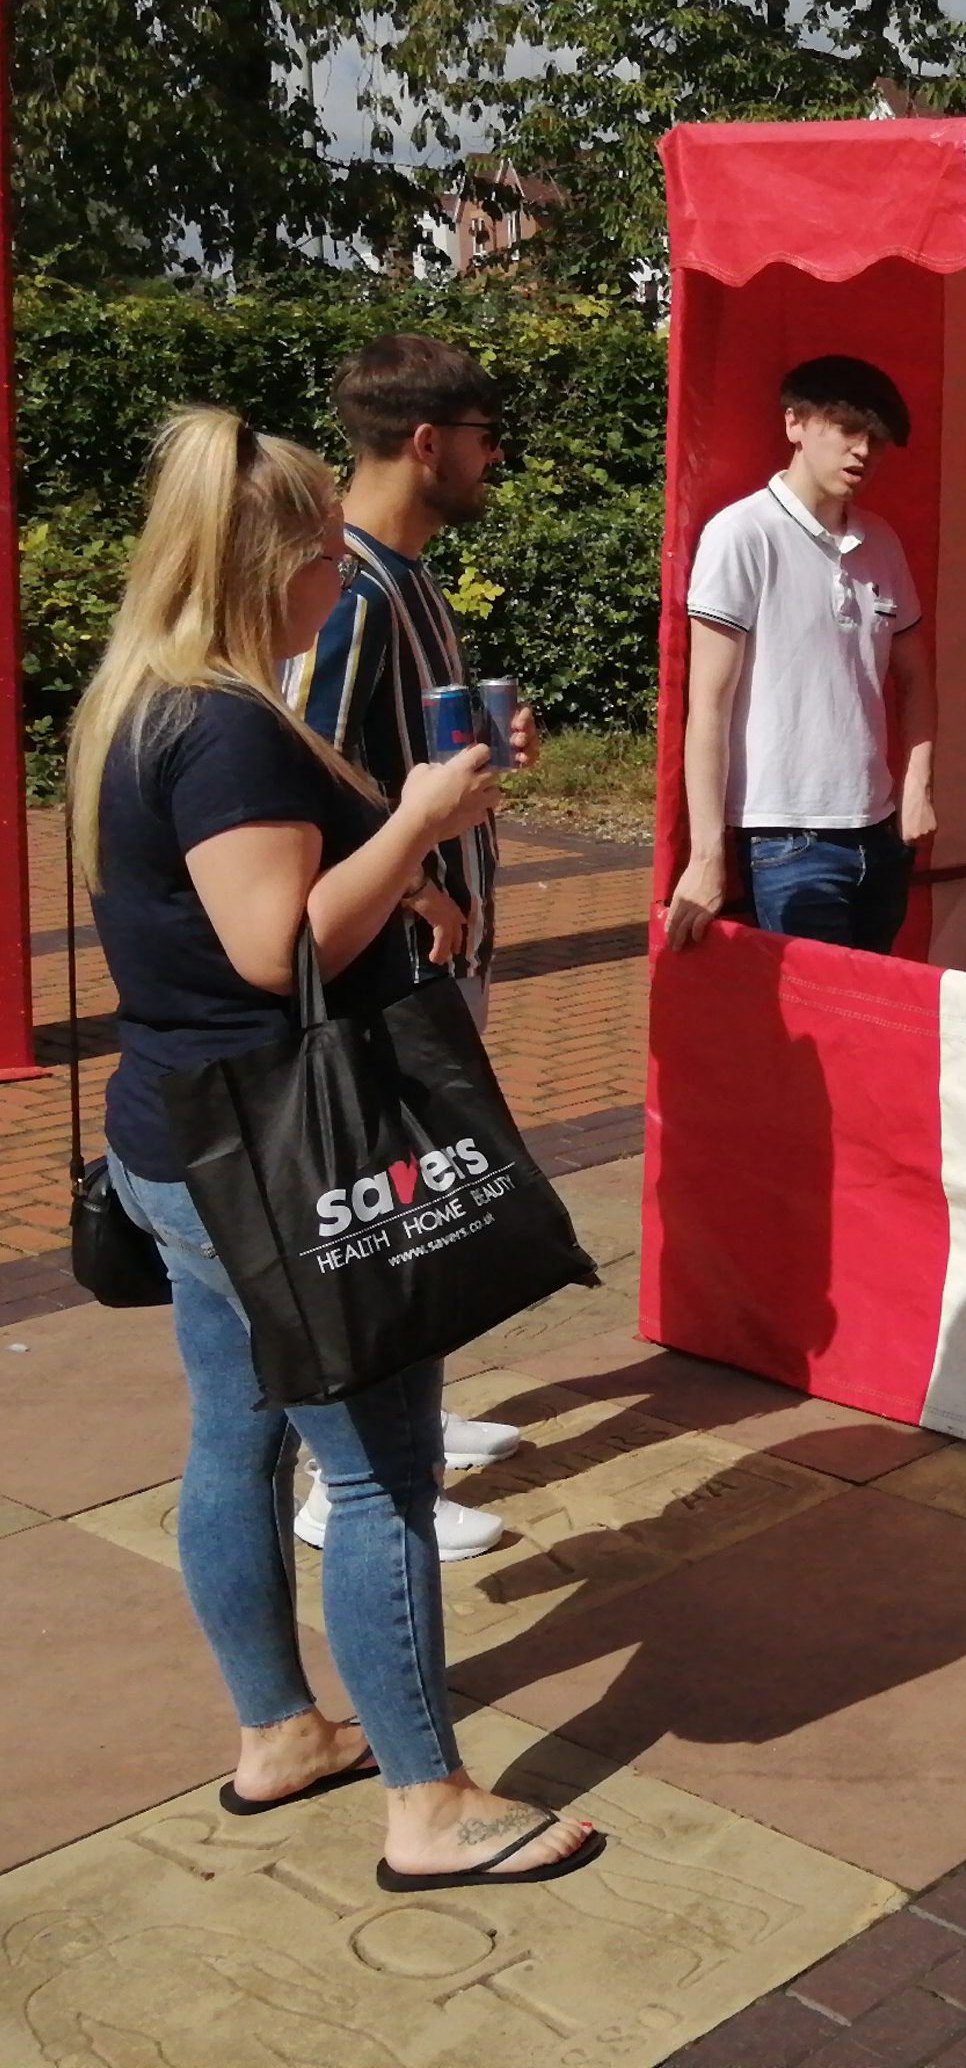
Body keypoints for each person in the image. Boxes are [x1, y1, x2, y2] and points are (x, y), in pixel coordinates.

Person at [68, 406, 603, 1890]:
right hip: (285, 1166)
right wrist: (424, 814)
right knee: (375, 1480)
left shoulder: (148, 697)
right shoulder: (226, 726)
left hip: (183, 1146)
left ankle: (282, 1732)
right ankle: (431, 1803)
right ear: (268, 561)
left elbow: (279, 889)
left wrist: (412, 839)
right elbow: (270, 943)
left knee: (232, 1446)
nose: (337, 569)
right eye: (317, 545)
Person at [281, 334, 541, 1561]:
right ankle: (357, 1483)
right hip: (387, 965)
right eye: (487, 437)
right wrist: (414, 888)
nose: (497, 461)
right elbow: (311, 780)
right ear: (428, 442)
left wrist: (491, 756)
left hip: (433, 956)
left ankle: (416, 1431)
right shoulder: (350, 591)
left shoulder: (411, 581)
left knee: (433, 1198)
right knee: (391, 1209)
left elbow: (401, 763)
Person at [664, 355, 936, 952]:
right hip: (786, 837)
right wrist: (707, 855)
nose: (862, 452)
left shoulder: (882, 541)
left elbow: (916, 677)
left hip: (881, 828)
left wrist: (917, 788)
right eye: (845, 429)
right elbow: (706, 705)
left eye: (877, 440)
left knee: (864, 1021)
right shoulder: (742, 534)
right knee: (814, 1028)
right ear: (795, 424)